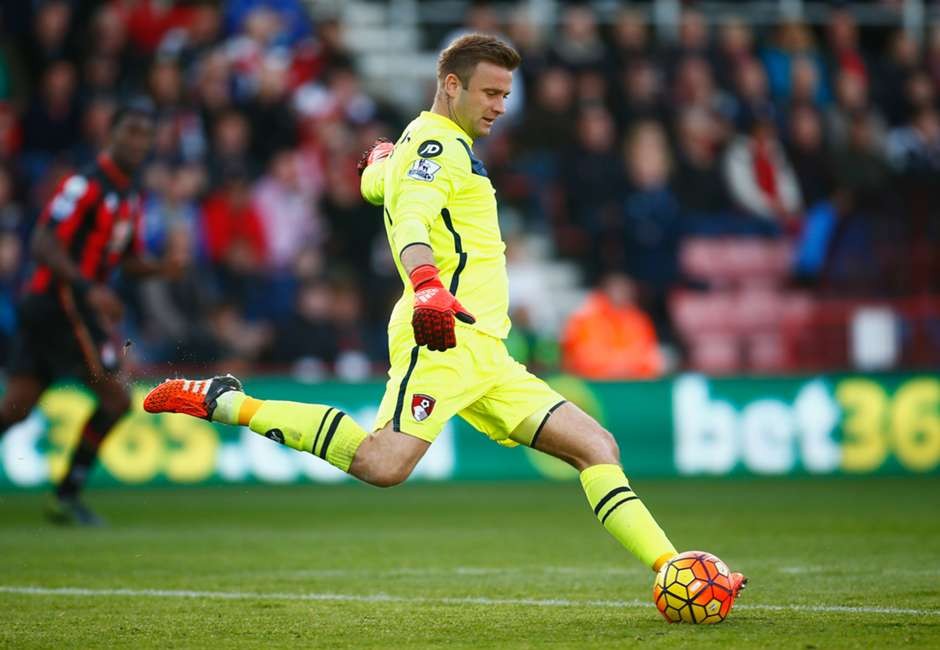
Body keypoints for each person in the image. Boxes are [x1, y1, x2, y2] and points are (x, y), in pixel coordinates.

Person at [143, 35, 746, 601]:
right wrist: (427, 284)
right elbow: (410, 219)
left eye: (506, 95)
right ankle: (227, 400)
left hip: (488, 353)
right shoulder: (437, 146)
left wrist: (379, 166)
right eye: (489, 93)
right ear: (451, 85)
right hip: (442, 334)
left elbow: (383, 188)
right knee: (383, 464)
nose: (500, 107)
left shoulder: (424, 147)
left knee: (596, 445)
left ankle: (674, 570)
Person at [0, 100, 179, 525]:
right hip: (61, 305)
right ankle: (67, 494)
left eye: (145, 134)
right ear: (110, 134)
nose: (138, 141)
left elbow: (128, 259)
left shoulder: (130, 196)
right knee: (117, 397)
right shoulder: (85, 185)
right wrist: (89, 288)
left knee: (17, 407)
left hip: (67, 306)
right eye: (130, 131)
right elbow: (44, 243)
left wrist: (162, 267)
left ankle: (65, 496)